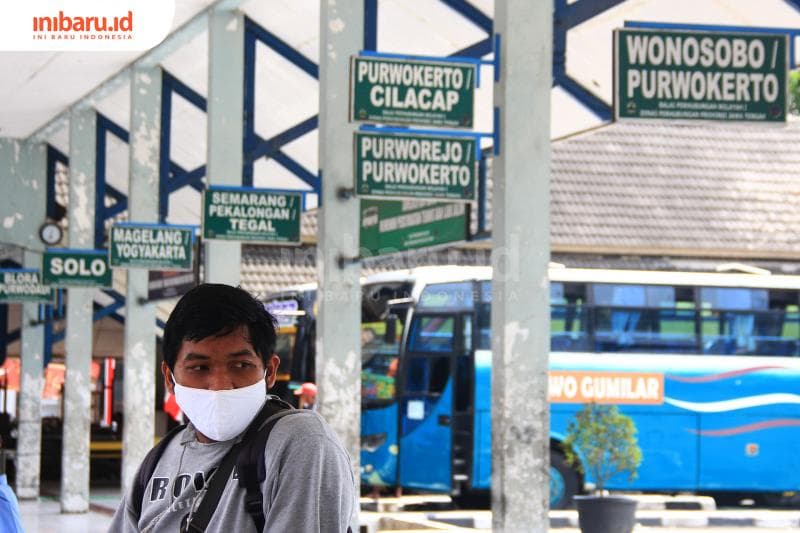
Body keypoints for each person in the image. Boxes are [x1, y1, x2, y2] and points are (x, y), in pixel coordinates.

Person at [110, 283, 355, 532]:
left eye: (240, 365)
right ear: (168, 377)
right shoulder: (158, 460)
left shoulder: (300, 441)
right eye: (199, 368)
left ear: (269, 371)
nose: (220, 386)